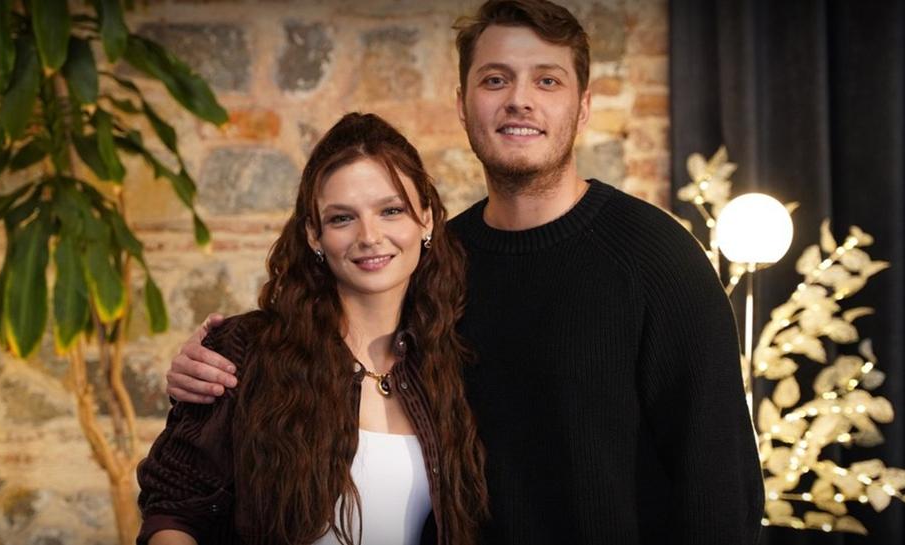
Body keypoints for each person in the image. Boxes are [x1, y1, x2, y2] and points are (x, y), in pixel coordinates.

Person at [164, 1, 765, 544]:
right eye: (495, 79)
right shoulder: (436, 266)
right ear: (462, 103)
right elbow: (332, 332)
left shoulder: (658, 260)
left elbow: (720, 489)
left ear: (583, 107)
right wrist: (212, 363)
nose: (519, 100)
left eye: (547, 80)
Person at [136, 112, 489, 545]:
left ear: (427, 219)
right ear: (313, 234)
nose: (369, 236)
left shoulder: (448, 363)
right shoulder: (246, 352)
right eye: (342, 218)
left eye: (391, 210)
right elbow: (173, 509)